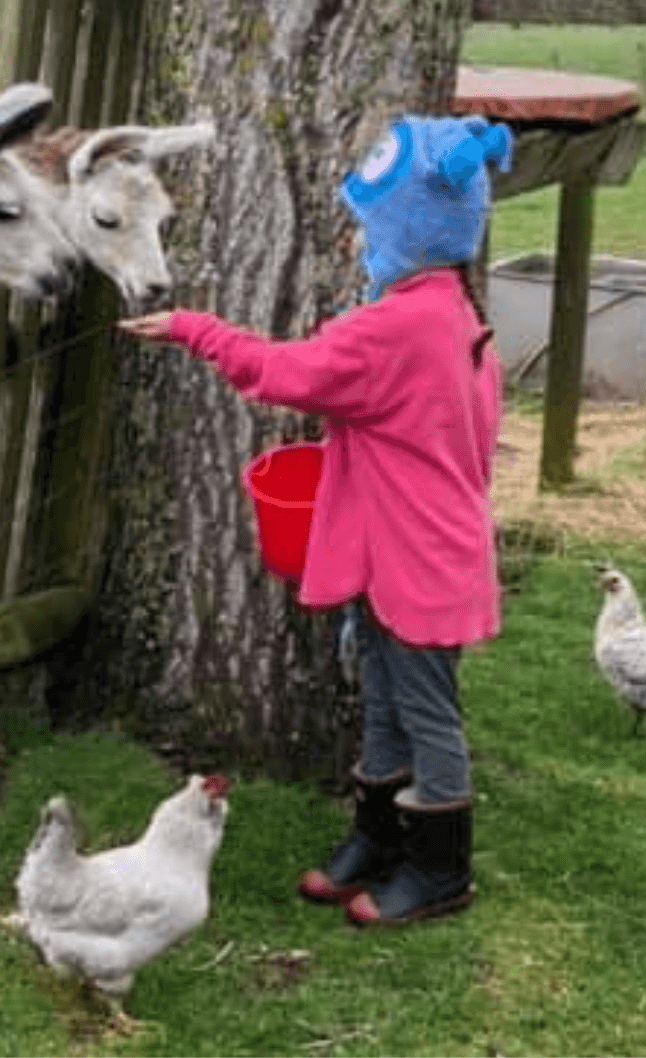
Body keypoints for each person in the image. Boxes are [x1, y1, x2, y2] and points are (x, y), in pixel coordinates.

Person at [119, 115, 511, 928]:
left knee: (427, 716)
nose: (361, 240)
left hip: (421, 563)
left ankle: (441, 871)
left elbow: (285, 371)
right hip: (402, 554)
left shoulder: (398, 326)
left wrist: (194, 328)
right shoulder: (447, 305)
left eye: (372, 225)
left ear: (409, 231)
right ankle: (378, 840)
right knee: (382, 699)